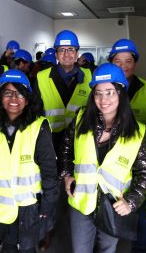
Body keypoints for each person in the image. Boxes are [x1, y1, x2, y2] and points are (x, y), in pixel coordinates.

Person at [60, 63, 146, 253]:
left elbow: (144, 173)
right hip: (81, 201)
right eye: (98, 93)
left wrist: (131, 202)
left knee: (107, 250)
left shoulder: (138, 132)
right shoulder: (80, 119)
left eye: (110, 92)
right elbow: (66, 150)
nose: (103, 99)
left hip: (113, 206)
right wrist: (67, 175)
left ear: (121, 93)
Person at [0, 69, 58, 253]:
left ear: (27, 99)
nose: (14, 98)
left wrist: (47, 205)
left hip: (28, 206)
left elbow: (49, 170)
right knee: (3, 246)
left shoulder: (38, 126)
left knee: (25, 248)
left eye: (19, 93)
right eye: (7, 93)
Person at [34, 29, 93, 250]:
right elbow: (36, 112)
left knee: (83, 187)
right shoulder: (40, 78)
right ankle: (47, 230)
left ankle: (84, 231)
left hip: (82, 144)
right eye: (62, 50)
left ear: (77, 53)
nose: (67, 54)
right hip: (50, 143)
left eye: (71, 49)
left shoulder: (89, 77)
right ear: (56, 54)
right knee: (50, 190)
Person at [109, 38, 146, 252]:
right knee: (112, 205)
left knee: (141, 210)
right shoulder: (103, 90)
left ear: (136, 63)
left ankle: (139, 249)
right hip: (112, 164)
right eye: (117, 61)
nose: (123, 66)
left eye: (128, 61)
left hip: (140, 163)